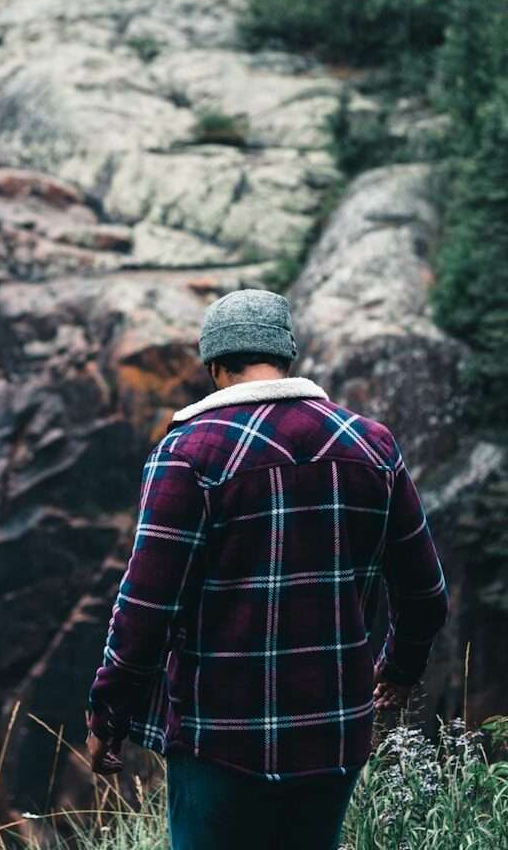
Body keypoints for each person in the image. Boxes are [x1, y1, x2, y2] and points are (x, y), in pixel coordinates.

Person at [85, 288, 449, 850]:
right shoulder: (372, 446)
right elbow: (425, 593)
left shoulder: (188, 454)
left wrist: (110, 715)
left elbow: (145, 611)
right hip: (333, 735)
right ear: (286, 356)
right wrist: (397, 673)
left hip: (219, 740)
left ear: (213, 365)